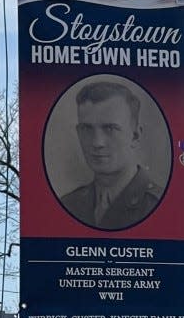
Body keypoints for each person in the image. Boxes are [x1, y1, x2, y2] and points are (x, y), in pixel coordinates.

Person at [60, 80, 164, 229]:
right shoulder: (69, 204)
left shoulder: (156, 204)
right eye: (87, 129)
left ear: (135, 135)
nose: (97, 142)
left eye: (110, 129)